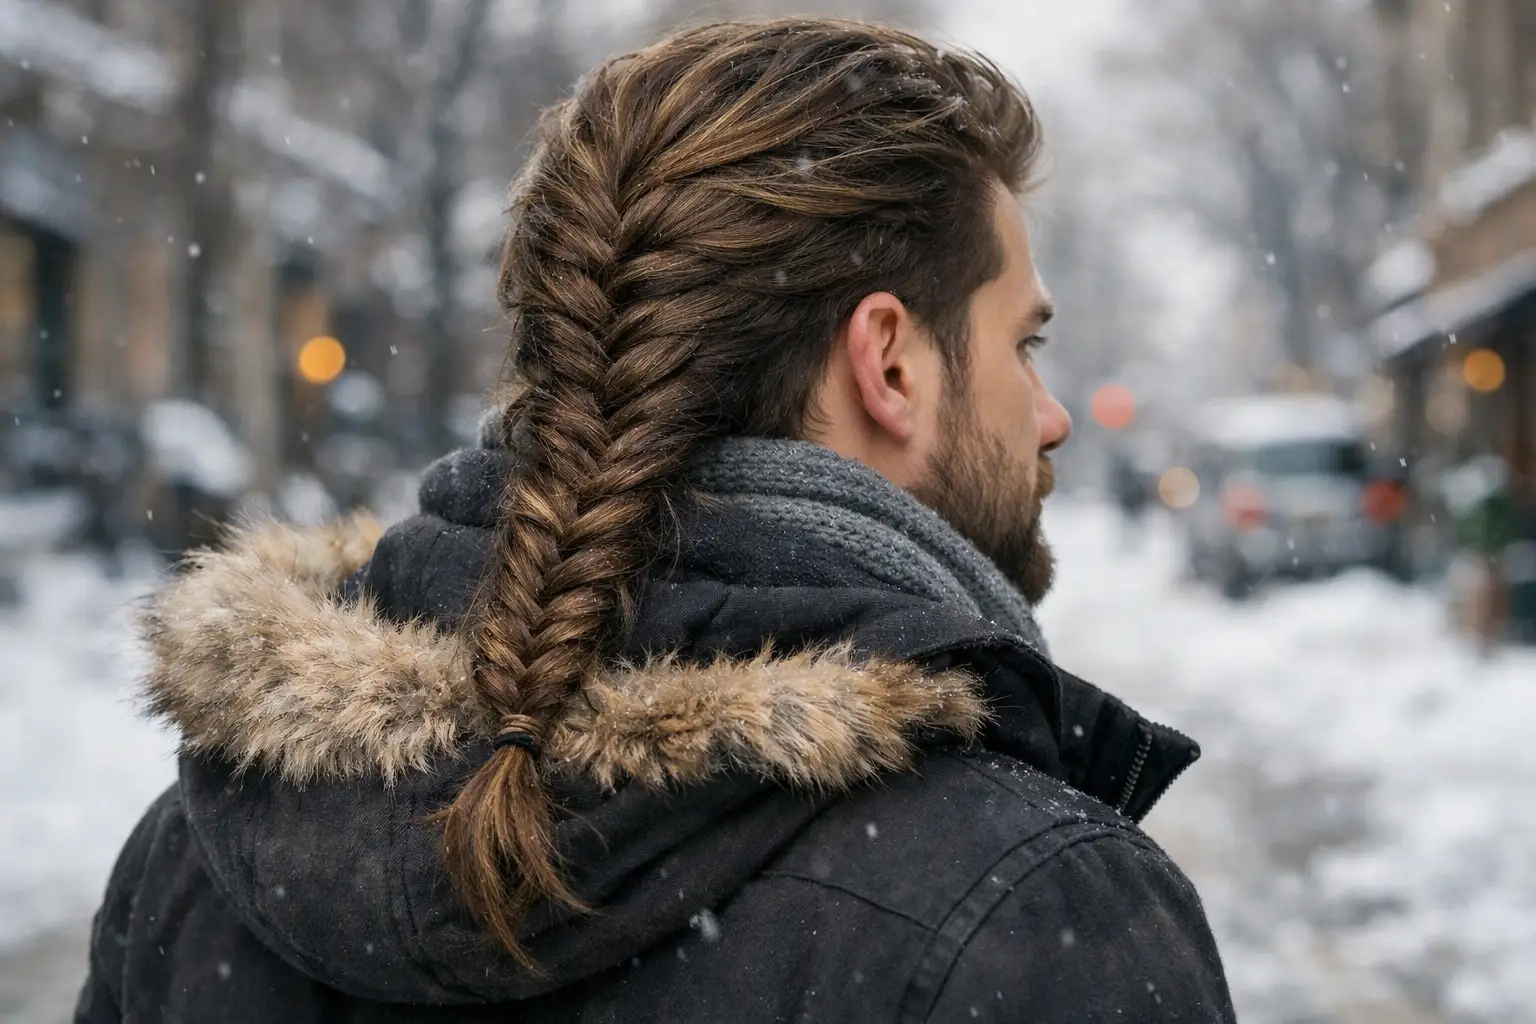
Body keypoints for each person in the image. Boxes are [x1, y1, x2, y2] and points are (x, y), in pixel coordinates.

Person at [78, 19, 1235, 1023]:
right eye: (1022, 345)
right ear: (889, 361)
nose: (1052, 414)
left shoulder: (197, 861)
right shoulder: (1030, 913)